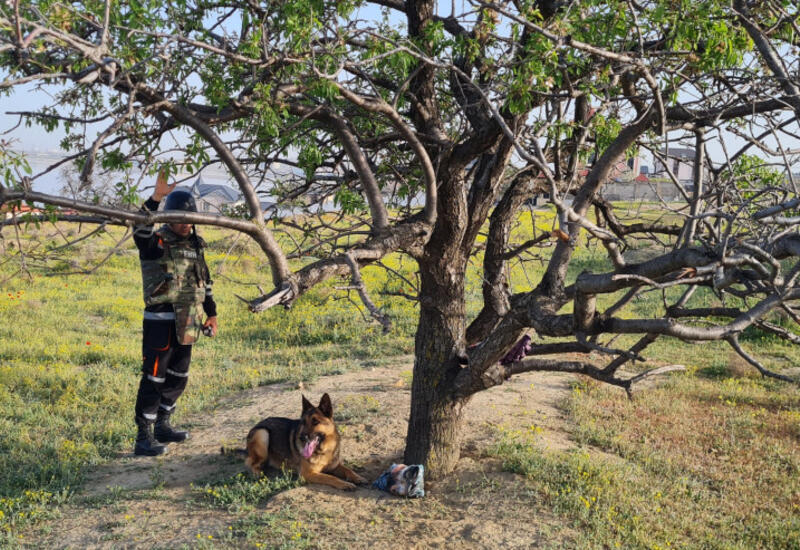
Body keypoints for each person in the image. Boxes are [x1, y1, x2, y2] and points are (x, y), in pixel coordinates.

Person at [131, 170, 218, 456]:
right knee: (154, 378)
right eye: (180, 218)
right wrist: (156, 198)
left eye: (189, 218)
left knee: (179, 376)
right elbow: (140, 229)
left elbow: (205, 282)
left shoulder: (196, 245)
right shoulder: (156, 243)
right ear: (168, 218)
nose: (185, 223)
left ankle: (163, 425)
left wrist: (212, 313)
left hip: (189, 321)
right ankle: (144, 436)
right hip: (161, 322)